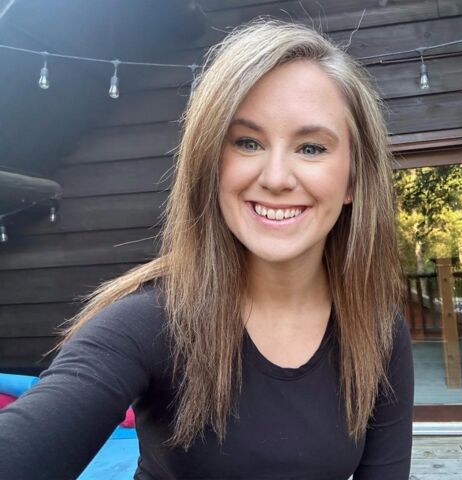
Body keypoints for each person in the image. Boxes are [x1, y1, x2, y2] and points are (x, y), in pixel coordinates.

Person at [0, 18, 414, 479]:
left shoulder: (377, 329)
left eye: (312, 148)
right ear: (210, 165)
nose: (276, 178)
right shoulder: (148, 321)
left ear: (353, 179)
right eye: (247, 143)